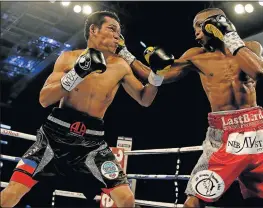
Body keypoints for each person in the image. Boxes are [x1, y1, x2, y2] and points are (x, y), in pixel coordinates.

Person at [116, 8, 263, 208]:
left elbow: (257, 71)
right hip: (222, 135)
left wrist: (229, 36)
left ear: (215, 23)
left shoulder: (250, 47)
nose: (195, 32)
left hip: (258, 134)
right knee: (193, 202)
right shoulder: (195, 56)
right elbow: (156, 77)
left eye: (199, 25)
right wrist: (126, 54)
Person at [0, 10, 164, 207]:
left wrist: (157, 76)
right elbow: (44, 99)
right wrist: (78, 73)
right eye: (112, 29)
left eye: (119, 32)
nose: (117, 36)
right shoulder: (69, 58)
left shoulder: (121, 66)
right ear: (93, 30)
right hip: (53, 138)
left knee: (126, 199)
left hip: (92, 144)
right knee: (12, 192)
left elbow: (145, 99)